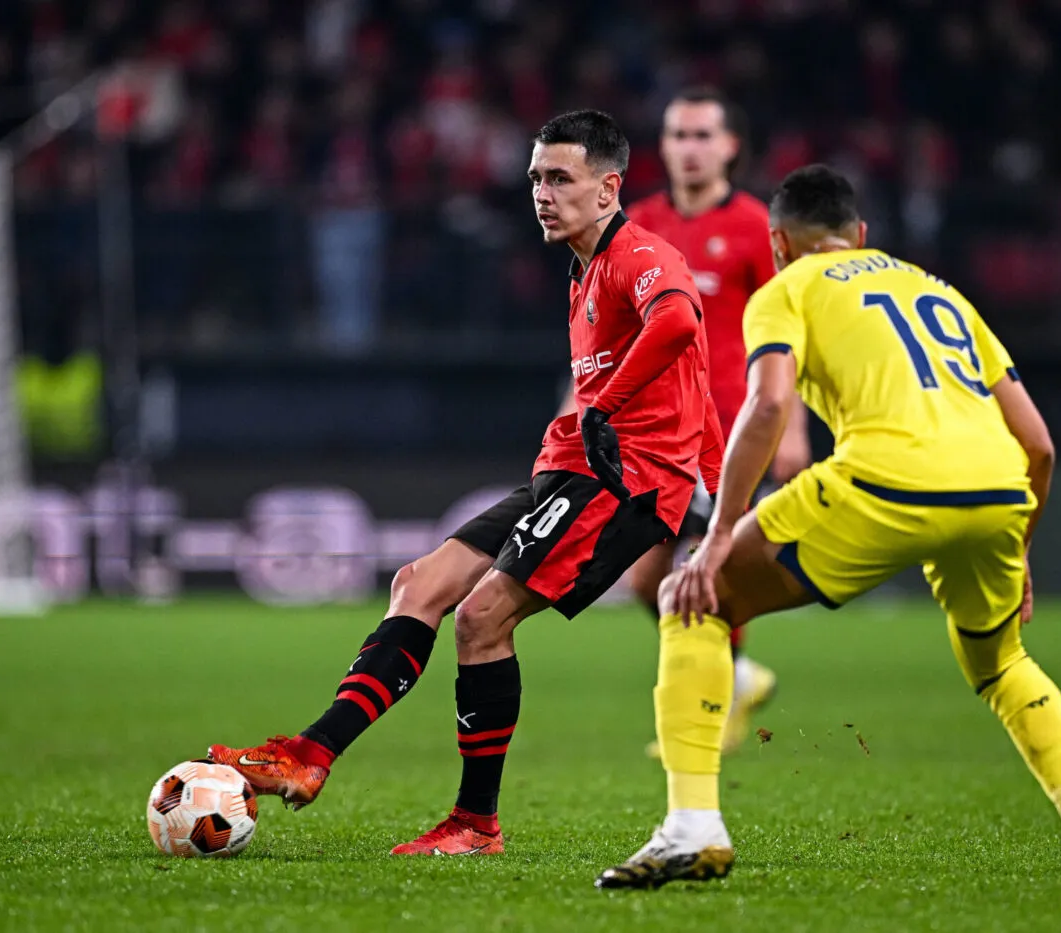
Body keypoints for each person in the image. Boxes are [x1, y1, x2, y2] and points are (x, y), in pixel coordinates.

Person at [596, 166, 1061, 894]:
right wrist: (1020, 546)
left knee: (695, 595)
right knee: (1002, 663)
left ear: (778, 242)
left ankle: (693, 825)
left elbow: (767, 405)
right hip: (998, 490)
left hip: (884, 477)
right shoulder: (940, 289)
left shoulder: (787, 288)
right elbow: (1038, 442)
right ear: (862, 234)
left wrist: (719, 532)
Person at [209, 109, 725, 856]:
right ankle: (310, 752)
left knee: (482, 618)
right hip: (573, 469)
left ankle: (475, 823)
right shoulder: (585, 269)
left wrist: (613, 419)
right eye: (536, 179)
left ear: (609, 188)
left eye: (560, 178)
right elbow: (696, 380)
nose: (542, 194)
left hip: (624, 480)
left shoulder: (638, 254)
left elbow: (677, 324)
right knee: (419, 582)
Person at [556, 87, 808, 753]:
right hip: (654, 431)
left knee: (706, 565)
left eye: (702, 135)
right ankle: (739, 672)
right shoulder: (633, 224)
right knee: (645, 577)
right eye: (678, 135)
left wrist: (794, 425)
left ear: (729, 146)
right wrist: (579, 407)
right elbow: (599, 328)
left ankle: (712, 707)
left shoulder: (757, 226)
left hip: (729, 428)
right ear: (661, 146)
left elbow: (792, 330)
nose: (689, 148)